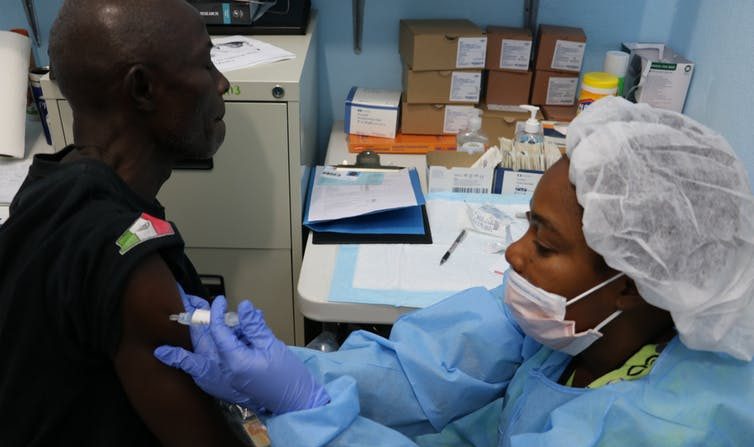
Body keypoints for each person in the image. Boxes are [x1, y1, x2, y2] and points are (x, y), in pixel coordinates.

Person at [157, 97, 754, 446]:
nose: (514, 256)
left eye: (544, 245)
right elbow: (421, 370)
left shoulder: (670, 427)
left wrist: (311, 410)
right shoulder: (573, 321)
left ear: (630, 279)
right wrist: (291, 370)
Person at [0, 0, 327, 445]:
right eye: (205, 64)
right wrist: (305, 409)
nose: (223, 83)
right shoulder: (136, 276)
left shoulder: (46, 186)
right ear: (143, 89)